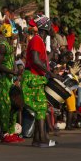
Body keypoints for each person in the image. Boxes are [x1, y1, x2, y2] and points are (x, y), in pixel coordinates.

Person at [21, 14, 57, 147]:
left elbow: (42, 60)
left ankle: (37, 139)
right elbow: (36, 61)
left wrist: (52, 52)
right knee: (41, 108)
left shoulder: (39, 40)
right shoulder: (36, 39)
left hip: (35, 77)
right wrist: (51, 74)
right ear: (45, 26)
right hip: (33, 78)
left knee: (39, 108)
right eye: (51, 24)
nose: (53, 27)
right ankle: (42, 139)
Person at [0, 24, 23, 143]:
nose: (16, 35)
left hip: (9, 79)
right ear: (9, 34)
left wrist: (16, 75)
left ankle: (11, 132)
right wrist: (13, 71)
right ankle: (5, 133)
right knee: (4, 106)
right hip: (0, 80)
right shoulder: (2, 47)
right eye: (14, 32)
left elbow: (13, 62)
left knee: (13, 105)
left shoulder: (11, 46)